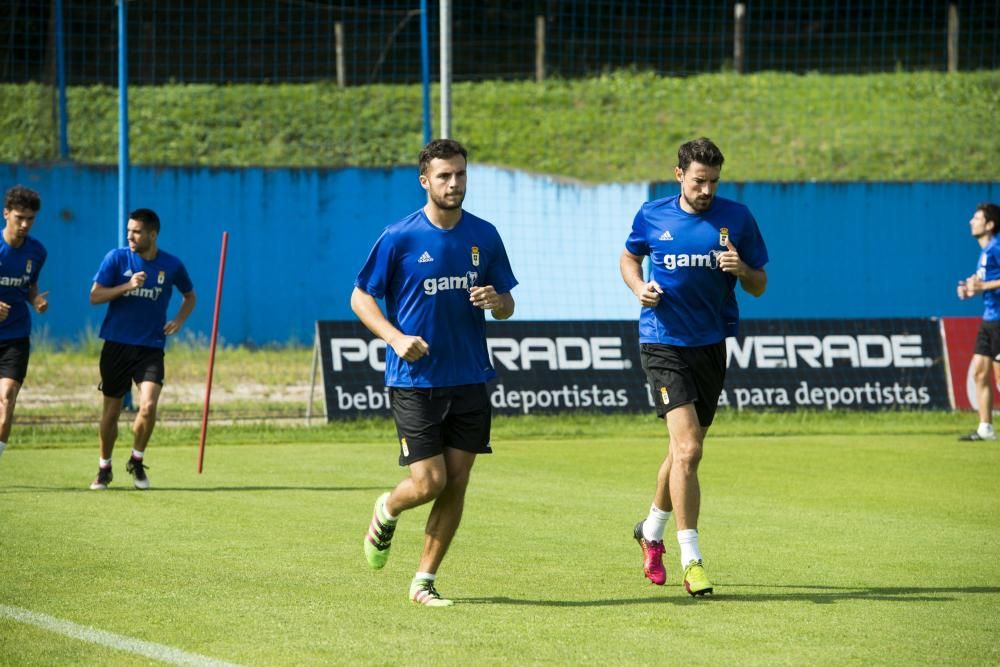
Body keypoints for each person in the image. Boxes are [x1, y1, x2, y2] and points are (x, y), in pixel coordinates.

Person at [352, 138, 518, 607]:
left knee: (458, 482)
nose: (454, 183)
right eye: (444, 176)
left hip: (470, 377)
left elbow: (507, 305)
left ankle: (423, 580)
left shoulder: (484, 235)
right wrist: (395, 338)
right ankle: (386, 508)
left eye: (460, 174)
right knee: (429, 483)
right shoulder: (399, 236)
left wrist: (496, 301)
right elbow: (361, 297)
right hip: (415, 381)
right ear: (426, 181)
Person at [619, 137, 769, 596]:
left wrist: (742, 268)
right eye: (699, 181)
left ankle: (651, 531)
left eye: (714, 182)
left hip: (710, 345)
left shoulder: (737, 218)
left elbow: (760, 284)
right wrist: (638, 286)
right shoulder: (652, 214)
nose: (706, 190)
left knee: (681, 451)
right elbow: (629, 256)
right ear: (679, 174)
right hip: (662, 343)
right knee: (688, 451)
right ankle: (693, 559)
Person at [88, 208, 196, 490]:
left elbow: (190, 296)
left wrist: (179, 320)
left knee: (148, 406)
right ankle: (104, 467)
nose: (130, 236)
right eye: (129, 231)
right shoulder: (116, 258)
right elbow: (95, 296)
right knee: (111, 413)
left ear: (152, 234)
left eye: (136, 231)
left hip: (150, 347)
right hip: (116, 346)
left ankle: (136, 460)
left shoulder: (171, 265)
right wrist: (126, 286)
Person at [0, 186, 49, 461]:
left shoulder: (37, 252)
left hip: (16, 336)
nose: (24, 224)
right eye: (19, 217)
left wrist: (36, 300)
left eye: (30, 218)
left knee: (7, 398)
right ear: (6, 214)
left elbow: (29, 286)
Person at [956, 202, 1000, 441]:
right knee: (980, 374)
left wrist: (983, 286)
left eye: (977, 218)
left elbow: (989, 283)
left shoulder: (997, 247)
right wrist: (970, 290)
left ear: (990, 224)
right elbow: (985, 283)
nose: (971, 222)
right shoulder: (984, 253)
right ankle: (985, 428)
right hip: (989, 320)